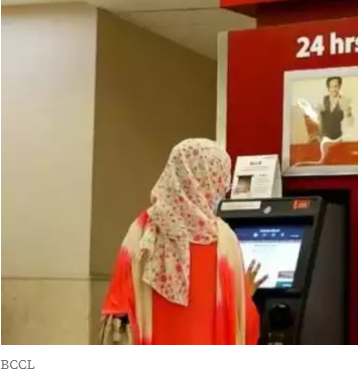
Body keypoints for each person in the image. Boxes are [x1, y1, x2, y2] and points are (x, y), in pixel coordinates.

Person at [100, 138, 265, 345]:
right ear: (211, 180)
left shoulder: (141, 233)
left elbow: (117, 312)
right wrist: (245, 296)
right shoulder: (223, 240)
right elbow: (241, 327)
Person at [318, 76, 354, 141]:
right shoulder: (322, 100)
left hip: (338, 139)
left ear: (339, 87)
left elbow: (350, 124)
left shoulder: (344, 101)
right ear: (328, 88)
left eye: (336, 86)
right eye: (331, 86)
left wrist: (349, 113)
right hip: (324, 139)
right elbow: (318, 120)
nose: (334, 89)